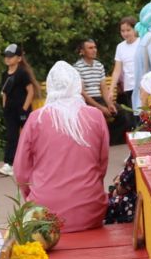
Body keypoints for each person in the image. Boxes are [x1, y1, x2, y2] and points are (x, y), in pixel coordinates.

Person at [13, 61, 110, 231]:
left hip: (44, 216)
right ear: (77, 84)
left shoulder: (37, 118)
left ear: (50, 87)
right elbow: (102, 165)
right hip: (90, 212)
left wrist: (33, 197)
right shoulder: (96, 115)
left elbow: (20, 170)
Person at [0, 43, 37, 177]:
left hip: (22, 110)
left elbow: (30, 92)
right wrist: (4, 107)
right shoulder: (4, 74)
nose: (8, 59)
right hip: (10, 111)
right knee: (11, 136)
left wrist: (24, 109)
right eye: (6, 56)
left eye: (11, 56)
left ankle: (34, 161)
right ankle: (9, 164)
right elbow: (4, 93)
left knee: (28, 137)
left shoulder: (22, 73)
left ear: (19, 58)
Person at [109, 16, 141, 118]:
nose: (125, 33)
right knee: (132, 117)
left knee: (143, 116)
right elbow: (117, 70)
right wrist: (111, 89)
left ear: (135, 29)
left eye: (128, 30)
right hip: (129, 87)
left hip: (142, 86)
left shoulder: (142, 43)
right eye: (122, 31)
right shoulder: (120, 47)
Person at [73, 38, 109, 114]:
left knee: (123, 114)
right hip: (87, 102)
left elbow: (104, 88)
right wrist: (101, 108)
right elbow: (82, 92)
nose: (94, 50)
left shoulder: (99, 65)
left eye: (95, 47)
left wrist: (110, 104)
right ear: (82, 51)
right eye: (90, 48)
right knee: (100, 114)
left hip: (100, 99)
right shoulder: (77, 67)